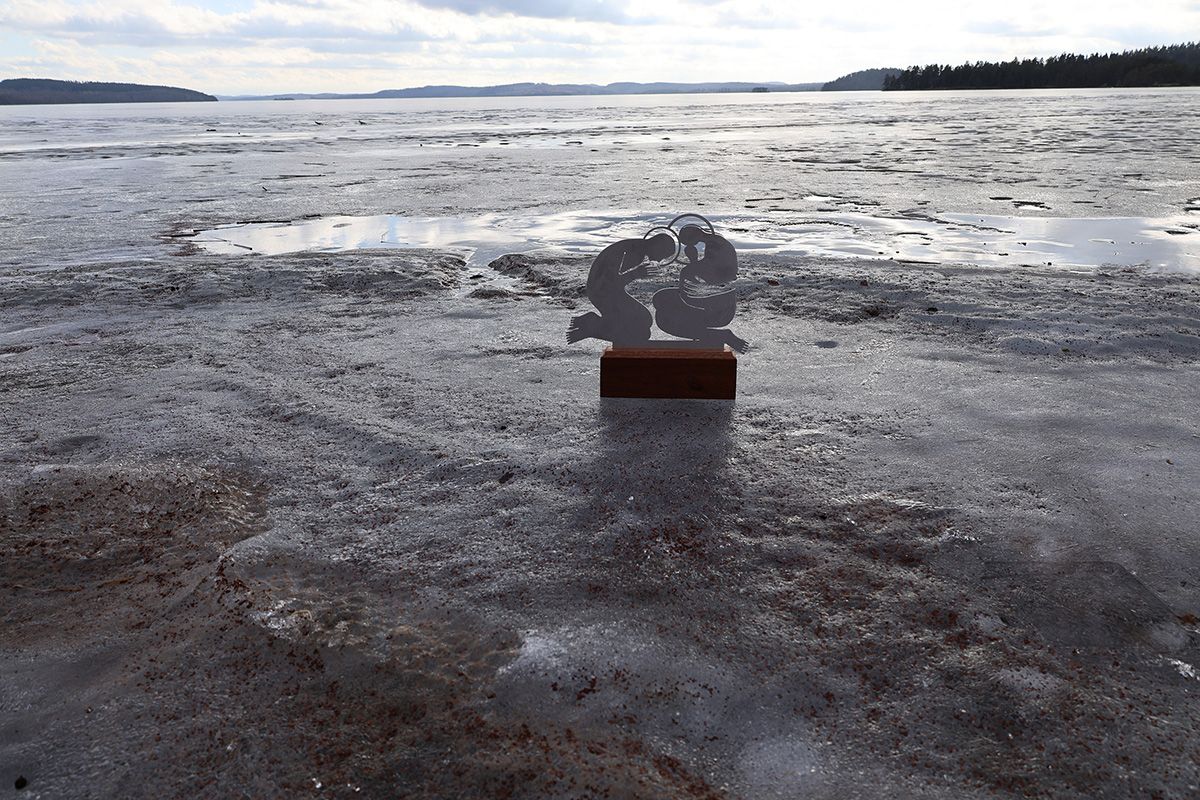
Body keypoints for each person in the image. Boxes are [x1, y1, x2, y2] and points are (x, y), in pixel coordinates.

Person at [566, 232, 675, 346]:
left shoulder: (636, 248)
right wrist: (636, 273)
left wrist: (636, 273)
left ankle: (596, 325)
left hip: (609, 291)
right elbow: (610, 282)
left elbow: (615, 281)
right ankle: (592, 324)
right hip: (602, 293)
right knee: (641, 328)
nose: (660, 259)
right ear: (657, 246)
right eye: (662, 254)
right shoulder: (632, 251)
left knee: (643, 322)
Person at [652, 224, 749, 353]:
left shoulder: (719, 248)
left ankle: (721, 336)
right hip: (708, 299)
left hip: (717, 309)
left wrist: (692, 262)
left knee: (664, 319)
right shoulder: (715, 243)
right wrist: (694, 262)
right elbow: (704, 275)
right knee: (660, 298)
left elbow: (711, 277)